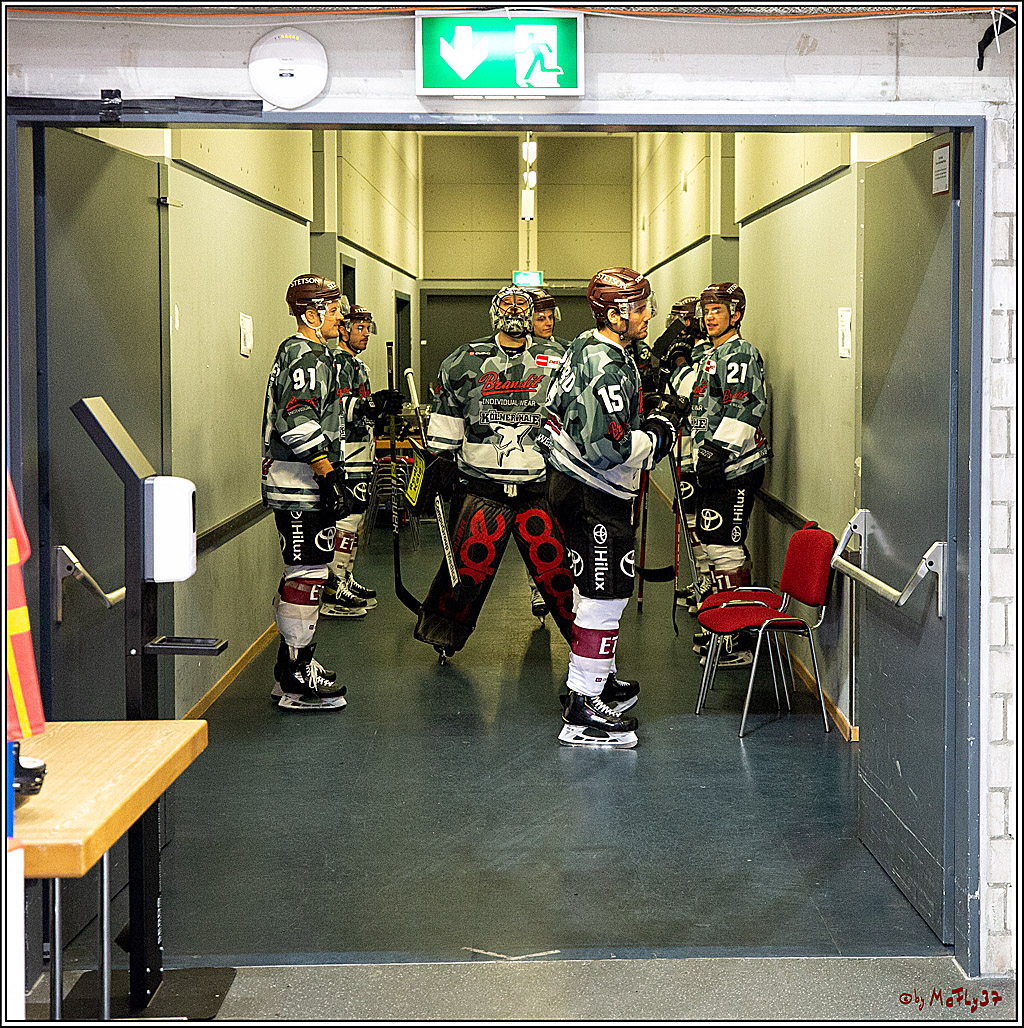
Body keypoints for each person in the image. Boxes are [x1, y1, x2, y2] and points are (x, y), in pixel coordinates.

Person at [538, 268, 686, 748]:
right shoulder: (605, 365)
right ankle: (583, 709)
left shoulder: (587, 345)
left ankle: (595, 681)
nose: (649, 314)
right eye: (640, 306)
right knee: (606, 597)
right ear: (617, 313)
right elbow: (608, 448)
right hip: (592, 490)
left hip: (579, 487)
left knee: (595, 592)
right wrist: (660, 431)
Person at [413, 285, 578, 663]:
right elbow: (448, 417)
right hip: (482, 489)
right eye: (509, 304)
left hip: (538, 488)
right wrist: (439, 460)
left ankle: (587, 649)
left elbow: (574, 414)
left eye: (524, 305)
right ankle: (444, 634)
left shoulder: (560, 358)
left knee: (557, 571)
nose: (516, 311)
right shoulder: (464, 360)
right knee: (468, 566)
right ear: (494, 312)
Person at [261, 275, 353, 711]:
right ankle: (299, 676)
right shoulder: (303, 353)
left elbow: (323, 409)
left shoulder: (315, 354)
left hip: (301, 481)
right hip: (298, 483)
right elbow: (296, 417)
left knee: (305, 571)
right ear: (312, 314)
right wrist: (328, 473)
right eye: (333, 310)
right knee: (308, 575)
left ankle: (288, 668)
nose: (340, 316)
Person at [685, 282, 771, 667]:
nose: (709, 316)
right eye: (706, 310)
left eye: (717, 310)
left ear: (736, 313)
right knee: (713, 540)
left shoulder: (741, 353)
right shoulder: (710, 355)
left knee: (723, 544)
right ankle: (727, 624)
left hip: (736, 467)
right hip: (715, 467)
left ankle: (735, 640)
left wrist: (718, 450)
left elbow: (748, 404)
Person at [321, 303, 403, 618]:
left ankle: (346, 576)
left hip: (361, 450)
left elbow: (364, 408)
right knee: (346, 521)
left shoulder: (358, 364)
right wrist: (371, 404)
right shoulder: (338, 362)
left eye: (368, 328)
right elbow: (337, 405)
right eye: (359, 327)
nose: (365, 333)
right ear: (343, 329)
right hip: (345, 453)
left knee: (356, 521)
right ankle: (334, 584)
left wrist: (382, 411)